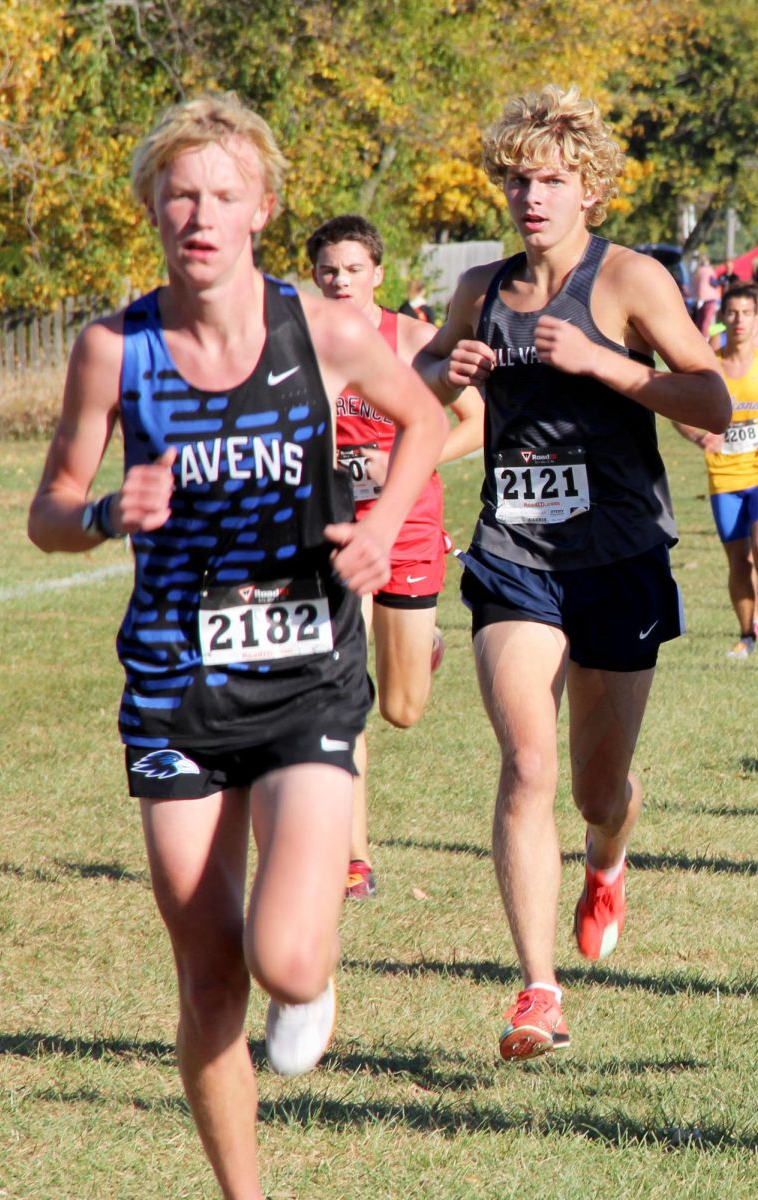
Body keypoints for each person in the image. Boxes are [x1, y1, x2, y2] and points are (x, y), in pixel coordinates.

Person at [26, 95, 447, 1199]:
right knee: (209, 979)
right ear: (152, 213)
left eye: (221, 194)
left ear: (261, 208)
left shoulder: (327, 329)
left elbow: (428, 423)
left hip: (305, 675)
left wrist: (383, 530)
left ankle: (312, 970)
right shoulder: (115, 350)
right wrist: (114, 510)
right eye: (178, 195)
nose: (198, 215)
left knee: (285, 959)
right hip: (172, 686)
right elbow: (51, 509)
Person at [414, 84, 729, 1061]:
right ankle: (536, 991)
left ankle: (607, 856)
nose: (530, 197)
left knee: (597, 787)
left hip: (619, 559)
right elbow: (419, 376)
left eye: (549, 179)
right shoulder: (479, 287)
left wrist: (607, 366)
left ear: (589, 189)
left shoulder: (628, 279)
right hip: (514, 557)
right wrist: (444, 374)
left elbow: (711, 399)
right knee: (527, 763)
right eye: (516, 179)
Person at [306, 214, 484, 899]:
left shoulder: (412, 343)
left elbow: (475, 424)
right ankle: (354, 859)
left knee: (402, 708)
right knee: (340, 692)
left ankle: (425, 641)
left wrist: (402, 460)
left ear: (378, 274)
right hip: (331, 530)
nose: (341, 280)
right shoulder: (296, 345)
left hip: (407, 525)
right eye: (328, 271)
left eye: (353, 269)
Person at [675, 283, 758, 658]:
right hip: (723, 476)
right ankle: (746, 636)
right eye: (732, 313)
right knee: (737, 561)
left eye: (747, 313)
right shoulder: (707, 362)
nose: (739, 320)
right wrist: (699, 437)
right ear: (722, 318)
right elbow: (677, 404)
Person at [691, 252, 722, 337]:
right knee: (707, 320)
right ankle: (705, 338)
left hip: (699, 298)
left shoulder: (698, 271)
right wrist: (720, 282)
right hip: (709, 298)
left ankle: (697, 336)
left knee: (700, 320)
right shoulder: (709, 270)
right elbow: (713, 283)